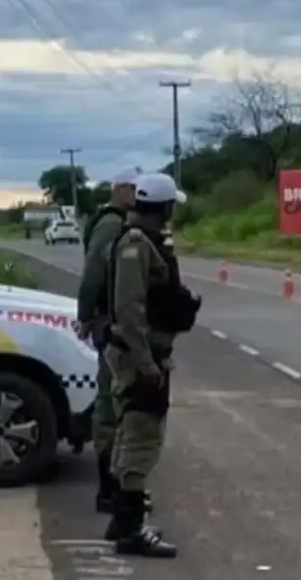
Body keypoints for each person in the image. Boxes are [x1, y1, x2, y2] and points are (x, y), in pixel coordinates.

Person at [102, 172, 201, 558]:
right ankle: (130, 530)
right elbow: (129, 310)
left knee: (133, 432)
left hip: (145, 354)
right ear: (162, 207)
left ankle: (122, 520)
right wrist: (146, 364)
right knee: (141, 437)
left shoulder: (145, 242)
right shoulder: (136, 244)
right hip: (138, 357)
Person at [75, 167, 151, 515]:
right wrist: (86, 314)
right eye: (132, 189)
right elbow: (93, 273)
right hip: (109, 321)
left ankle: (116, 487)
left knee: (119, 404)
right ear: (118, 189)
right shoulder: (111, 225)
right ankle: (109, 490)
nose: (137, 196)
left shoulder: (121, 222)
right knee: (111, 405)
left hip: (111, 319)